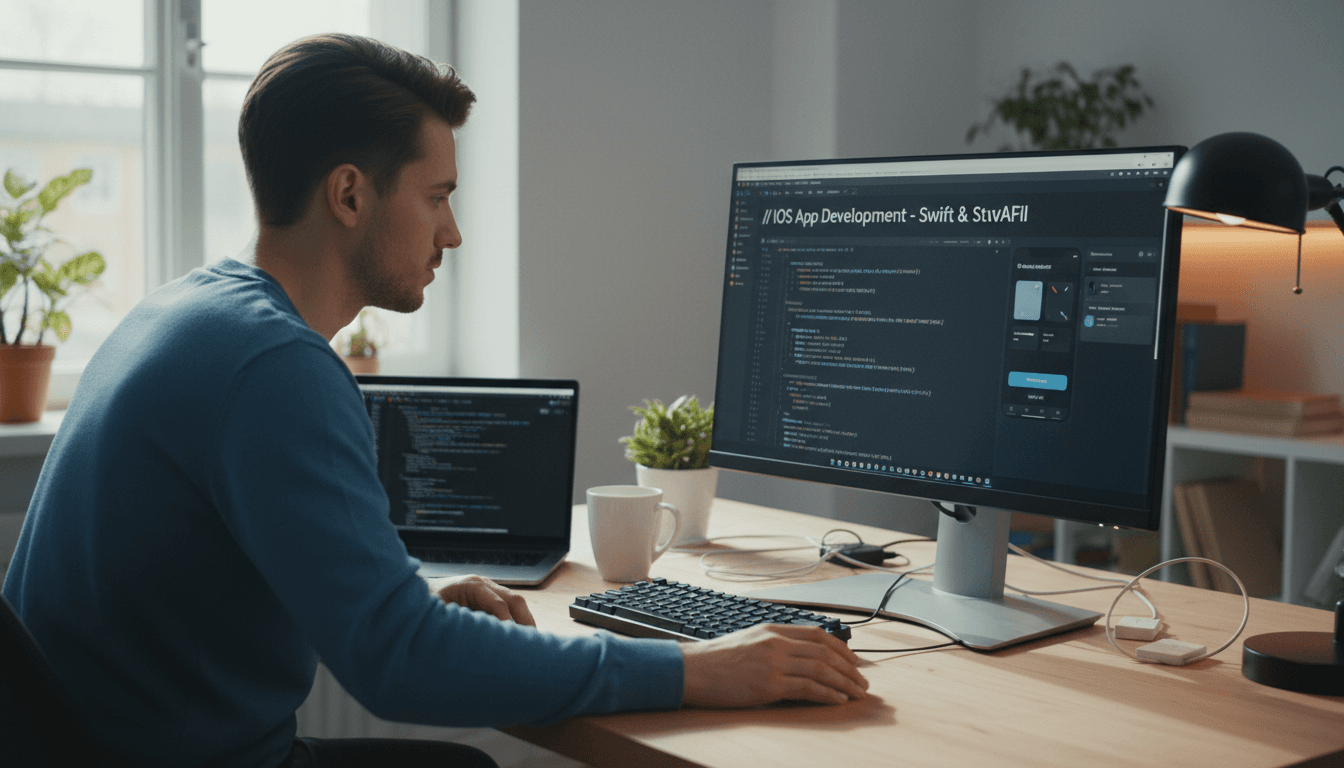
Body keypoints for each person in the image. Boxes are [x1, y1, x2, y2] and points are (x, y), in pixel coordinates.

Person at [2, 33, 867, 768]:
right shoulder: (274, 366)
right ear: (349, 194)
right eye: (438, 197)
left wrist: (411, 602)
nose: (451, 232)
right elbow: (399, 667)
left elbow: (272, 588)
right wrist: (699, 670)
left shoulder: (188, 311)